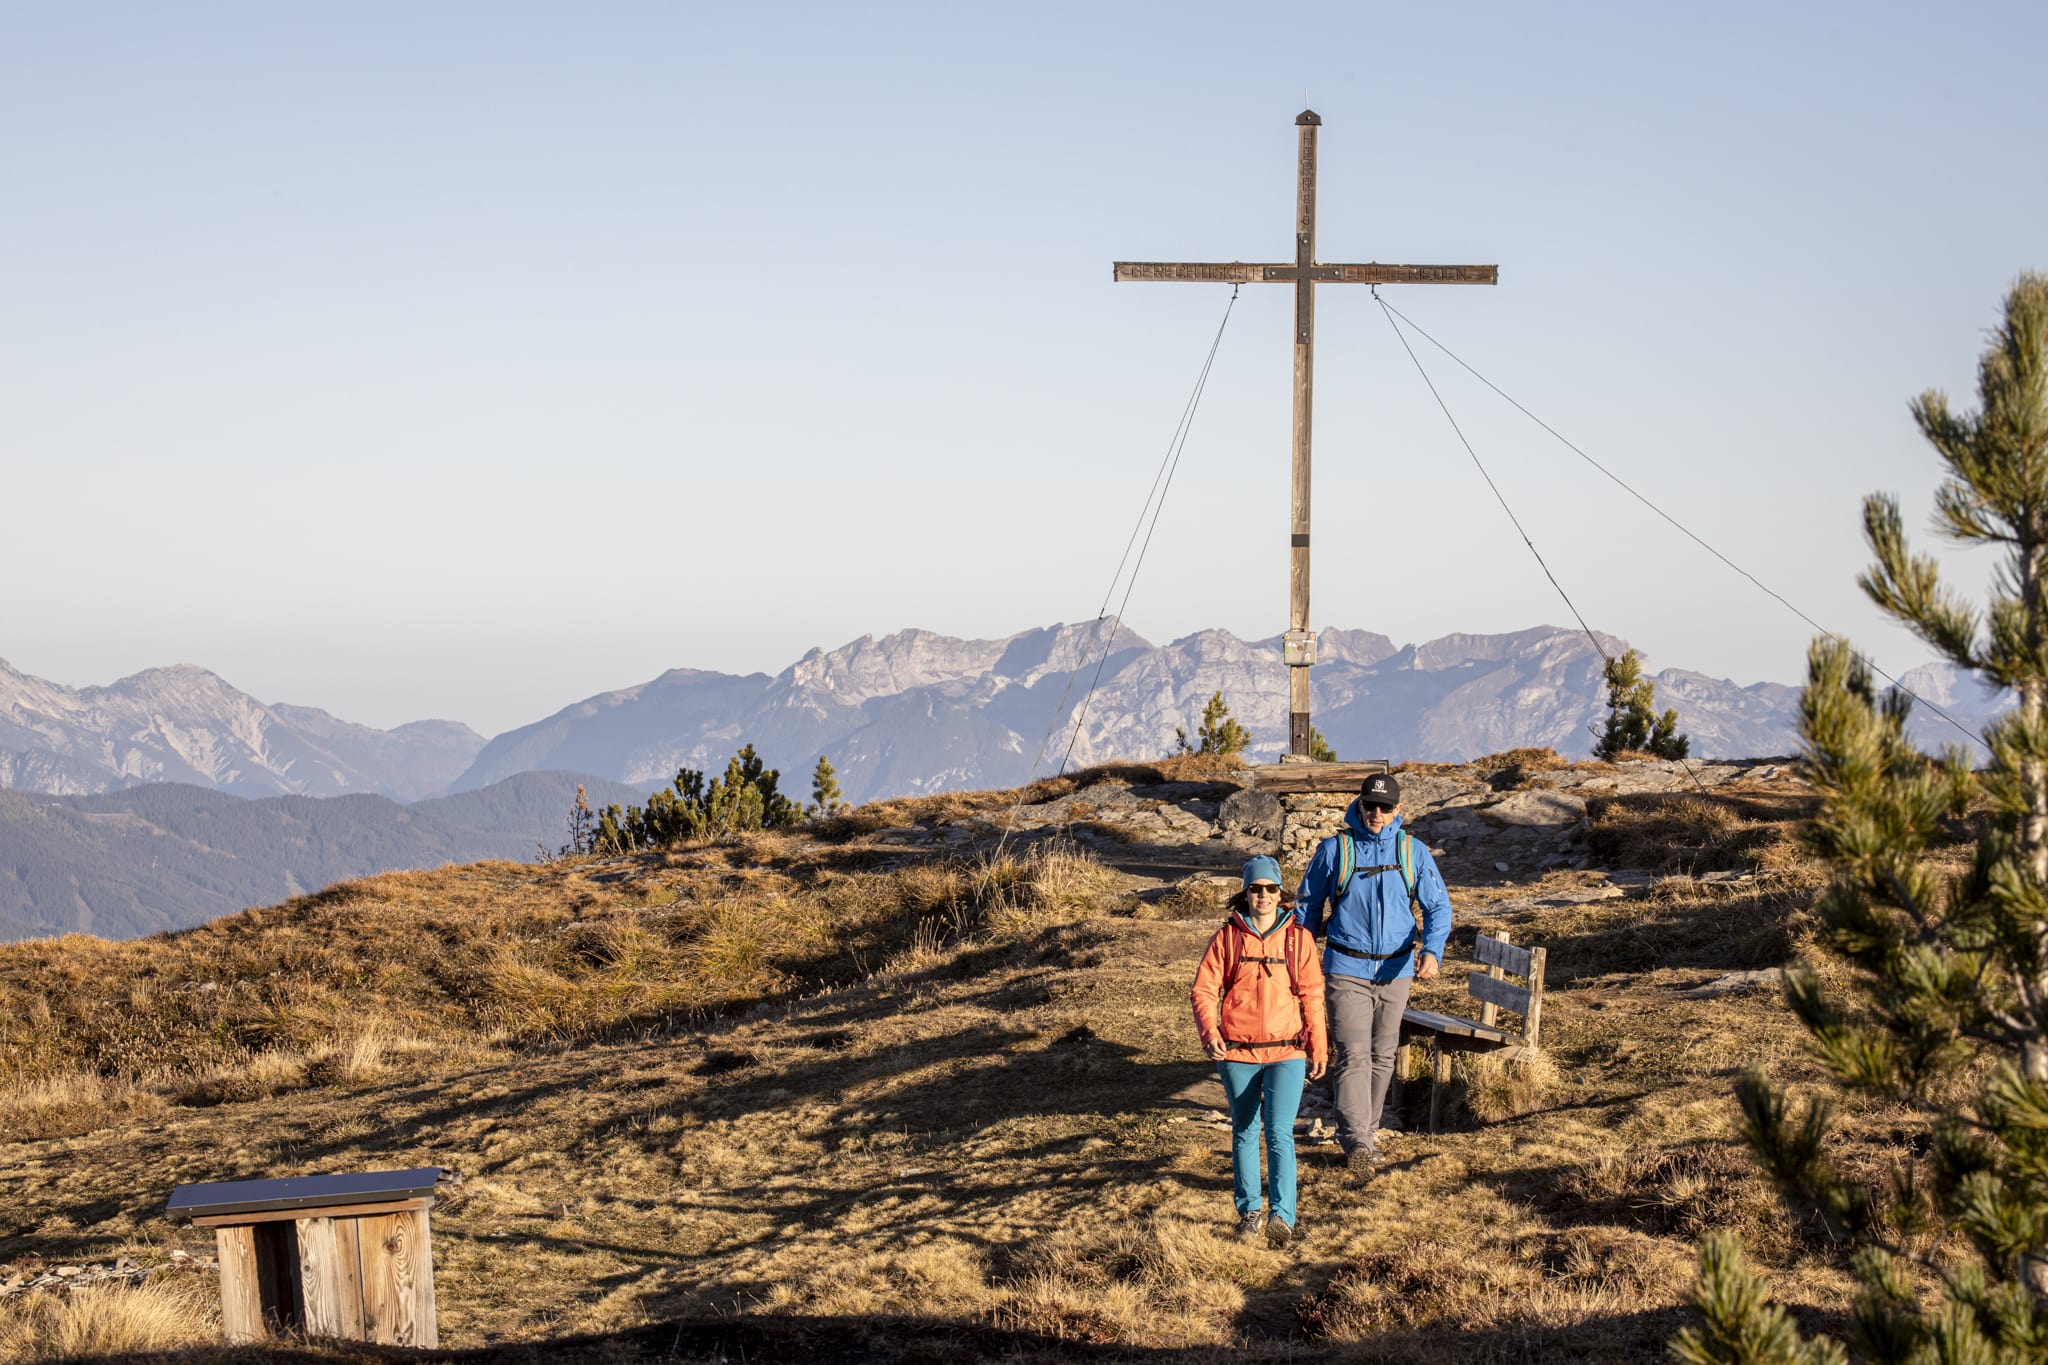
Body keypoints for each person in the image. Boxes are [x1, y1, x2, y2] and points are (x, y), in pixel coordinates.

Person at [1294, 771, 1452, 1176]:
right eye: (1370, 806)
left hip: (1397, 969)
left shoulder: (1412, 852)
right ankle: (1357, 1141)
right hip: (1345, 967)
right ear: (1359, 805)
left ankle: (1368, 1130)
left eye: (1385, 807)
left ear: (1398, 810)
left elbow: (1438, 908)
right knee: (1352, 1054)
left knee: (1384, 1055)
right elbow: (1308, 907)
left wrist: (1432, 952)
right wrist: (1302, 956)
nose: (1376, 814)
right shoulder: (1336, 850)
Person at [1190, 855, 1329, 1246]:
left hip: (1287, 1051)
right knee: (1245, 1131)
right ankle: (1250, 1211)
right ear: (1245, 892)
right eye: (1256, 888)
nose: (1263, 895)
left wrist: (1319, 1046)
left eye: (1271, 888)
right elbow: (1203, 990)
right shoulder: (1227, 938)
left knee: (1280, 1133)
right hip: (1237, 1053)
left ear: (1280, 893)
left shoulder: (1297, 938)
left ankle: (1282, 1217)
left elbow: (1312, 995)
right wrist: (1209, 1033)